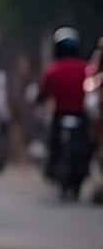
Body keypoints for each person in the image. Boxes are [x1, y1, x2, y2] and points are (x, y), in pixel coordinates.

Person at [36, 27, 93, 181]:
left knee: (53, 140)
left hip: (60, 113)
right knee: (87, 141)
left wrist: (40, 100)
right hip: (80, 114)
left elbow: (43, 93)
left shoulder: (53, 69)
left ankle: (53, 167)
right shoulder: (86, 68)